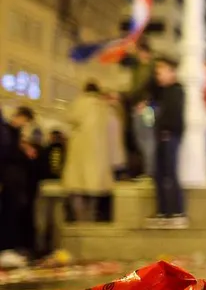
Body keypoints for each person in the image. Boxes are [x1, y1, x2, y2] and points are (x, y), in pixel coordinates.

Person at [62, 83, 116, 221]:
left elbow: (70, 118)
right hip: (98, 154)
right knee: (94, 189)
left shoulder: (80, 102)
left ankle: (81, 219)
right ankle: (90, 218)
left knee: (77, 188)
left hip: (80, 152)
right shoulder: (104, 107)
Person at [151, 58, 187, 226]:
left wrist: (167, 130)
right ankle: (163, 211)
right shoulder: (162, 92)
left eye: (161, 71)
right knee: (159, 174)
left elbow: (174, 115)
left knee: (170, 173)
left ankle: (177, 211)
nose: (158, 75)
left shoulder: (176, 91)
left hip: (170, 136)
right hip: (162, 136)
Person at [0, 106, 37, 258]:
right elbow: (7, 156)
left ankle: (10, 247)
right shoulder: (7, 133)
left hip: (14, 181)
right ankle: (7, 247)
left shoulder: (12, 134)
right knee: (9, 214)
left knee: (13, 215)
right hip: (9, 180)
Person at [124, 41, 156, 178]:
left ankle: (151, 171)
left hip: (147, 108)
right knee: (140, 139)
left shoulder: (151, 68)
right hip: (137, 107)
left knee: (148, 138)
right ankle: (148, 169)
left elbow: (152, 87)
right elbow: (125, 62)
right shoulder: (137, 67)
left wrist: (146, 102)